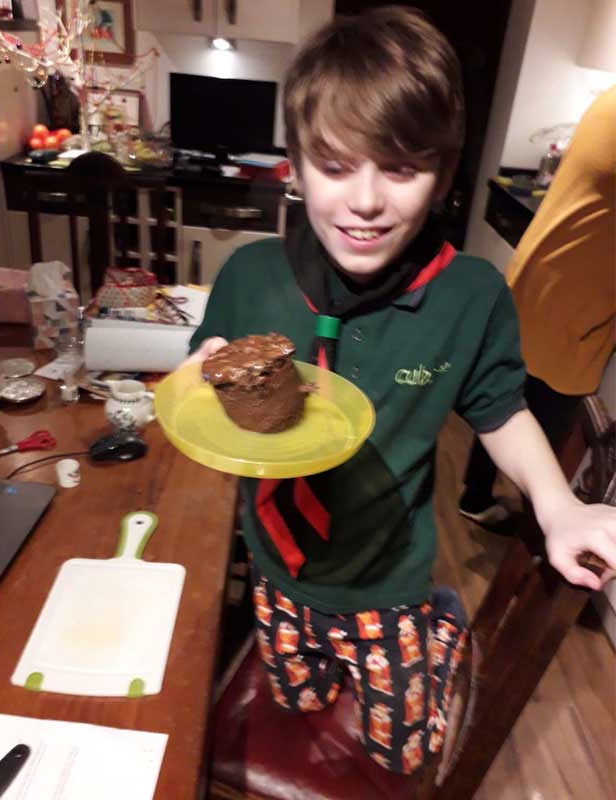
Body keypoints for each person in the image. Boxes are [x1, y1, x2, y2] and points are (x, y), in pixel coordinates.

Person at [187, 7, 616, 776]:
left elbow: (501, 409)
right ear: (295, 165)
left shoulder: (471, 295)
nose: (365, 201)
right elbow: (206, 373)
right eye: (337, 165)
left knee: (404, 750)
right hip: (276, 573)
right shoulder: (250, 275)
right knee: (299, 700)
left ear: (444, 175)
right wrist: (203, 373)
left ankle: (440, 628)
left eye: (401, 168)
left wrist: (557, 505)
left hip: (387, 583)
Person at [459, 86, 616, 526]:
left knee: (504, 394)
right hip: (575, 298)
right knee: (542, 419)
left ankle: (476, 497)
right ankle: (541, 524)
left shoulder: (608, 100)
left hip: (544, 276)